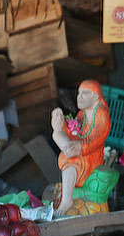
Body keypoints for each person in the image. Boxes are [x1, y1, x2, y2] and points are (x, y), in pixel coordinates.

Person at [48, 80, 112, 216]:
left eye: (85, 93)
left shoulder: (101, 113)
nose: (79, 97)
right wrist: (61, 124)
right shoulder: (82, 114)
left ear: (95, 96)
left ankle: (67, 200)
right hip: (80, 152)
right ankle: (67, 148)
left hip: (91, 157)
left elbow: (97, 139)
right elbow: (75, 131)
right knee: (57, 135)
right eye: (78, 93)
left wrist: (80, 147)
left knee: (69, 159)